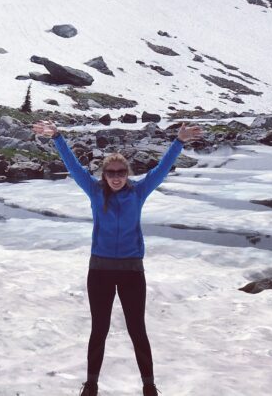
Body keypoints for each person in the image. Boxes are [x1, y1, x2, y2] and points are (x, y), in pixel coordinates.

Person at [33, 119, 202, 396]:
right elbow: (74, 167)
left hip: (131, 271)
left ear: (127, 173)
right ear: (104, 174)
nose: (116, 176)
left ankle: (149, 386)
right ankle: (91, 384)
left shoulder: (138, 192)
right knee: (99, 329)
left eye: (121, 171)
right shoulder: (95, 190)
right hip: (99, 269)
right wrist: (57, 137)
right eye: (110, 172)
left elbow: (161, 170)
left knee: (137, 329)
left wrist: (179, 141)